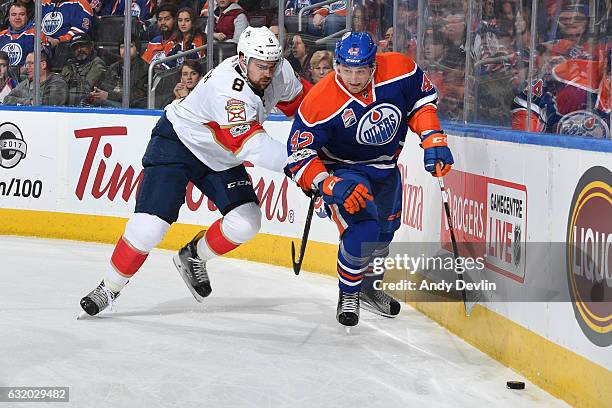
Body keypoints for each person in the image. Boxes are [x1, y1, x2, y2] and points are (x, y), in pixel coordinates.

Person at [79, 26, 311, 317]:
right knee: (149, 227)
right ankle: (109, 287)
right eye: (260, 65)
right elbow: (252, 145)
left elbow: (306, 108)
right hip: (178, 143)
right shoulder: (227, 89)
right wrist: (304, 167)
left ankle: (193, 256)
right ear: (242, 59)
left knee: (246, 222)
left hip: (220, 155)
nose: (267, 72)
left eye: (272, 65)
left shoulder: (280, 72)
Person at [284, 32, 454, 327]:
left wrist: (432, 136)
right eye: (346, 70)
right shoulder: (319, 101)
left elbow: (421, 103)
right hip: (344, 171)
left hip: (386, 168)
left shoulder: (400, 70)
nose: (353, 78)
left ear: (373, 65)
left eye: (361, 70)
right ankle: (348, 293)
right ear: (336, 66)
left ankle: (368, 288)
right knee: (364, 230)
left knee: (385, 233)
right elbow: (299, 155)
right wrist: (328, 184)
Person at [87, 39, 149, 108]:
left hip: (133, 108)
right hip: (112, 103)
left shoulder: (145, 68)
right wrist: (97, 93)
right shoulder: (113, 67)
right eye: (122, 47)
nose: (125, 50)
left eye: (130, 46)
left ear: (138, 50)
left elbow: (139, 96)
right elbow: (104, 87)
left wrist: (109, 95)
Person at [3, 51, 68, 106]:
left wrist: (19, 101)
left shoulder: (58, 83)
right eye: (26, 64)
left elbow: (46, 103)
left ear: (43, 65)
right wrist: (29, 102)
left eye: (31, 63)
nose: (27, 67)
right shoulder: (26, 83)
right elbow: (7, 99)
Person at [61, 33, 106, 105]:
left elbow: (86, 88)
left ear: (91, 46)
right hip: (68, 104)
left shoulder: (97, 63)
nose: (79, 50)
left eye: (82, 46)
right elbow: (60, 85)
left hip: (89, 105)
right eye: (75, 48)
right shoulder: (69, 64)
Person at [0, 1, 50, 67]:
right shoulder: (1, 36)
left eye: (22, 14)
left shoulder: (36, 34)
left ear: (27, 17)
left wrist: (20, 72)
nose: (17, 18)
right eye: (14, 14)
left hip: (27, 75)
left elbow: (42, 61)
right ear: (9, 18)